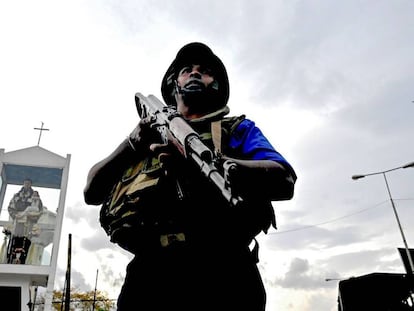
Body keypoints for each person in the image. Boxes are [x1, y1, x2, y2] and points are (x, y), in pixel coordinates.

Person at [84, 42, 297, 311]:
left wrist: (218, 166)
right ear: (174, 83)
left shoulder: (236, 129)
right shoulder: (148, 134)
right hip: (151, 274)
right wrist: (132, 142)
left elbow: (284, 180)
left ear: (217, 85)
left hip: (225, 271)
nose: (195, 73)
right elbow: (91, 191)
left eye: (205, 71)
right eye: (187, 70)